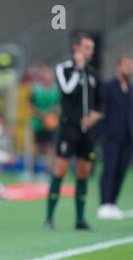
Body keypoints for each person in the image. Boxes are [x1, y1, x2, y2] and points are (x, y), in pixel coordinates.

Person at [45, 33, 103, 230]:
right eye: (87, 48)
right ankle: (49, 217)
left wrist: (96, 115)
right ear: (77, 48)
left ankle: (80, 218)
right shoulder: (64, 69)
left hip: (87, 131)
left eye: (92, 48)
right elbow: (67, 90)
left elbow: (100, 102)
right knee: (60, 169)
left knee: (84, 171)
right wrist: (77, 69)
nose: (91, 52)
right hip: (69, 129)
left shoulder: (93, 73)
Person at [98, 56, 133, 219]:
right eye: (127, 66)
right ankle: (104, 203)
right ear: (118, 66)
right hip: (111, 135)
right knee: (109, 169)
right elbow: (100, 110)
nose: (130, 69)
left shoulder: (132, 89)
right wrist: (102, 132)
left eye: (132, 67)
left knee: (121, 170)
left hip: (128, 136)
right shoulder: (108, 87)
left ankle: (113, 203)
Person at [30, 65, 60, 175]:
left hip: (51, 123)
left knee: (50, 147)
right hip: (38, 123)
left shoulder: (56, 90)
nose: (47, 76)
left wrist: (50, 113)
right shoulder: (36, 89)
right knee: (37, 147)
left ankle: (48, 170)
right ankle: (33, 169)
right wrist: (41, 114)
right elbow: (30, 105)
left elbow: (58, 105)